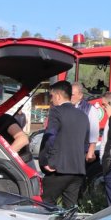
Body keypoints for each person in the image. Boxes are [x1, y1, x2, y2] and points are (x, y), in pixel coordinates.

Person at [39, 81, 90, 209]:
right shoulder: (83, 115)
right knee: (70, 209)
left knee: (45, 204)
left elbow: (50, 136)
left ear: (58, 96)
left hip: (58, 169)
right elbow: (85, 144)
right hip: (77, 170)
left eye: (51, 96)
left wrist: (45, 160)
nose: (51, 100)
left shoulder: (56, 111)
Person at [71, 82, 100, 163]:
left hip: (83, 150)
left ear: (80, 95)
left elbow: (94, 132)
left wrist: (91, 151)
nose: (70, 97)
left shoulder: (90, 109)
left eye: (72, 95)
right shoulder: (66, 108)